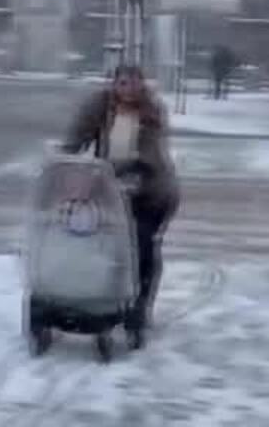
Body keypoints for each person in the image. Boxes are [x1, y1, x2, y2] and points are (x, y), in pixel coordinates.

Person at [60, 63, 180, 348]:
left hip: (151, 191)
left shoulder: (151, 111)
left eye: (135, 83)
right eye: (123, 83)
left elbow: (153, 153)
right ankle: (99, 298)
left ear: (142, 86)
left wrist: (137, 172)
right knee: (94, 239)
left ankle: (139, 307)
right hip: (110, 187)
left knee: (141, 244)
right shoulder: (101, 105)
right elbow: (79, 135)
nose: (129, 89)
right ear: (114, 84)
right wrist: (66, 157)